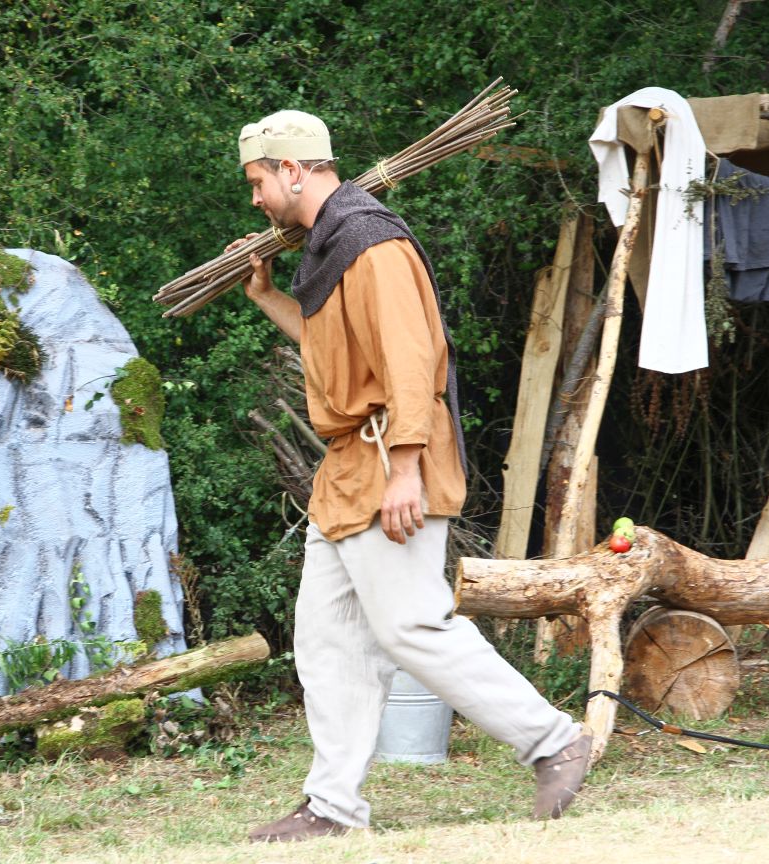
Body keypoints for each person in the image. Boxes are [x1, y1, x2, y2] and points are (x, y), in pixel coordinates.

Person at [227, 110, 592, 843]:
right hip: (347, 470)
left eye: (259, 181)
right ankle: (332, 805)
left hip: (390, 457)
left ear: (293, 170)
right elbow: (335, 359)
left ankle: (553, 740)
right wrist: (266, 296)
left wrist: (404, 471)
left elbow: (410, 363)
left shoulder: (372, 243)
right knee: (328, 639)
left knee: (411, 625)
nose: (257, 198)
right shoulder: (330, 250)